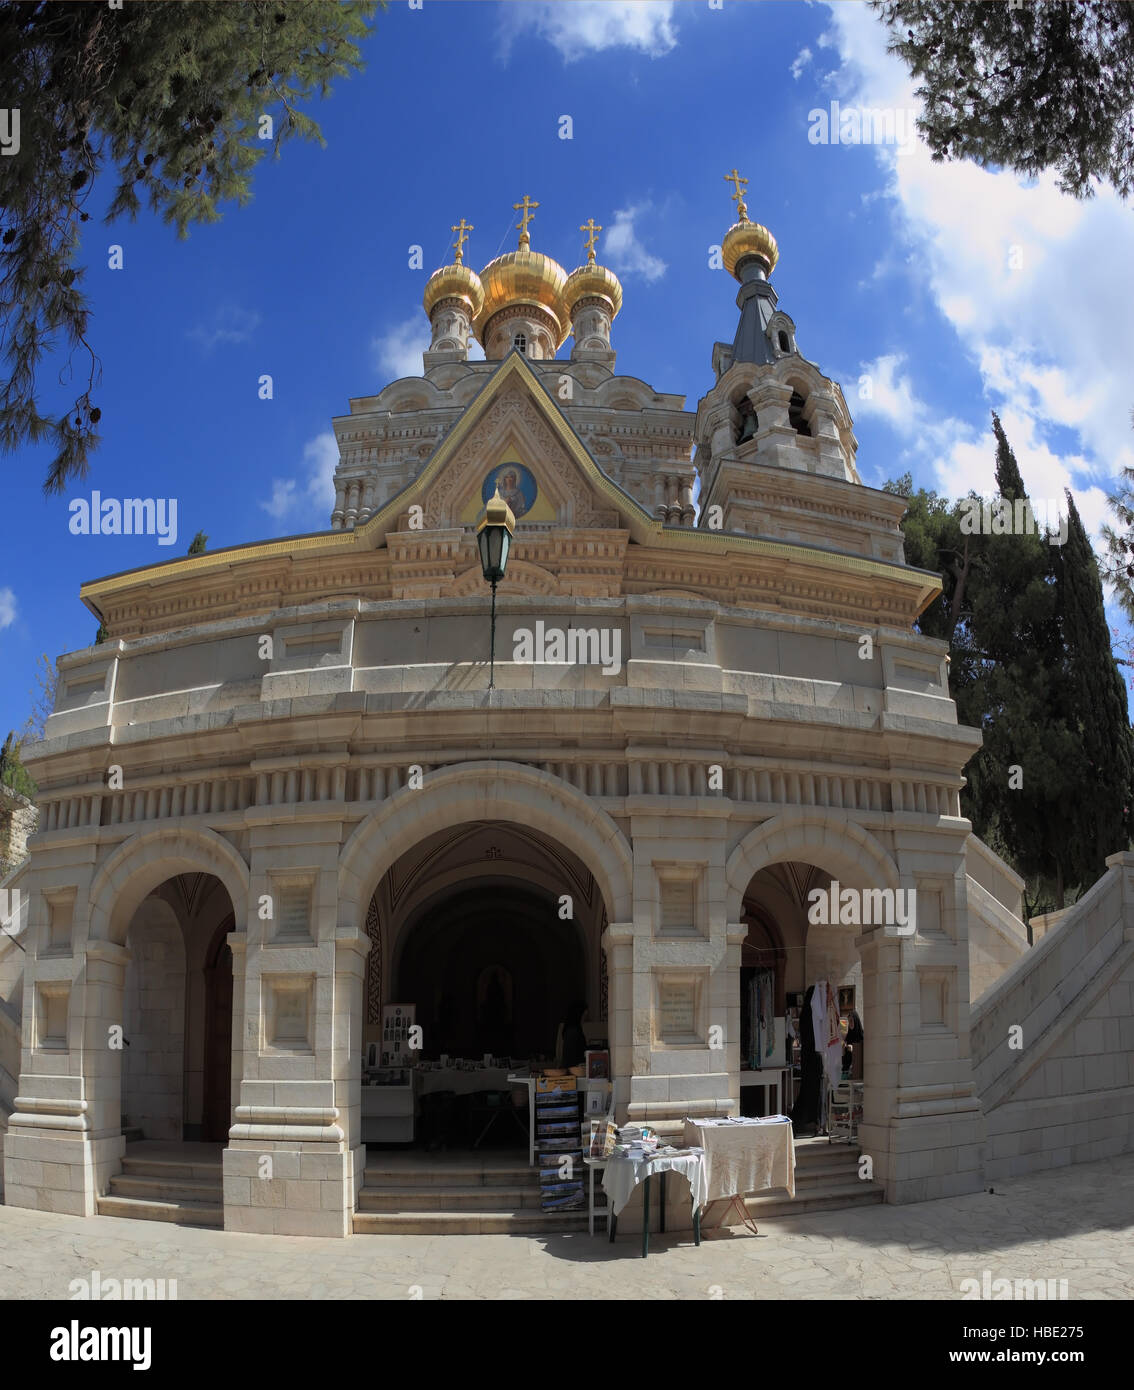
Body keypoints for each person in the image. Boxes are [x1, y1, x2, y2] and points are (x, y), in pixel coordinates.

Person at [557, 1000, 587, 1068]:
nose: (585, 1019)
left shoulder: (571, 1030)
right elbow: (572, 1057)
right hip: (573, 1070)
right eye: (584, 1016)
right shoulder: (573, 1031)